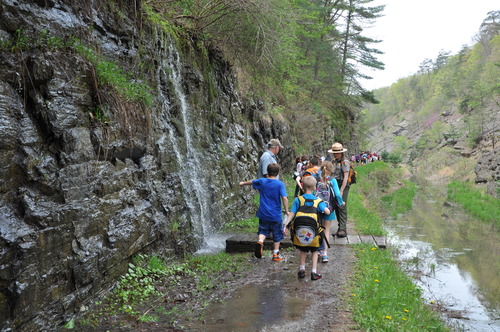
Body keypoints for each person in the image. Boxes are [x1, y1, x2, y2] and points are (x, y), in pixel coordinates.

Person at [239, 163, 289, 261]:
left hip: (263, 213)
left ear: (267, 172)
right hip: (275, 215)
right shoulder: (279, 184)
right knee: (277, 234)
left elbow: (252, 181)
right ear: (277, 173)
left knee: (263, 230)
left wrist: (243, 183)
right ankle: (275, 254)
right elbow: (284, 197)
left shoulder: (262, 181)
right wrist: (286, 210)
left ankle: (261, 241)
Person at [284, 176, 330, 280]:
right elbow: (327, 212)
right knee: (314, 251)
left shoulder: (298, 200)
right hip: (314, 232)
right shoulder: (318, 201)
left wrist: (286, 225)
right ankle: (313, 272)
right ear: (315, 187)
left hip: (300, 231)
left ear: (302, 187)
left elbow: (291, 214)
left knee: (303, 250)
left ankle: (301, 270)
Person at [316, 161, 345, 262]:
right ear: (331, 170)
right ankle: (325, 254)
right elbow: (337, 194)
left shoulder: (317, 179)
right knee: (326, 229)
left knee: (318, 228)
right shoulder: (333, 180)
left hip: (318, 207)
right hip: (329, 208)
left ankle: (318, 250)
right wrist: (341, 203)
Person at [328, 143, 350, 238]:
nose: (335, 154)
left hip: (342, 185)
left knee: (341, 205)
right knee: (336, 206)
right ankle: (339, 227)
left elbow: (346, 177)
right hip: (334, 184)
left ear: (341, 152)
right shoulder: (333, 161)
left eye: (337, 153)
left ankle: (343, 229)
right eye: (334, 153)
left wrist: (341, 190)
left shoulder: (345, 162)